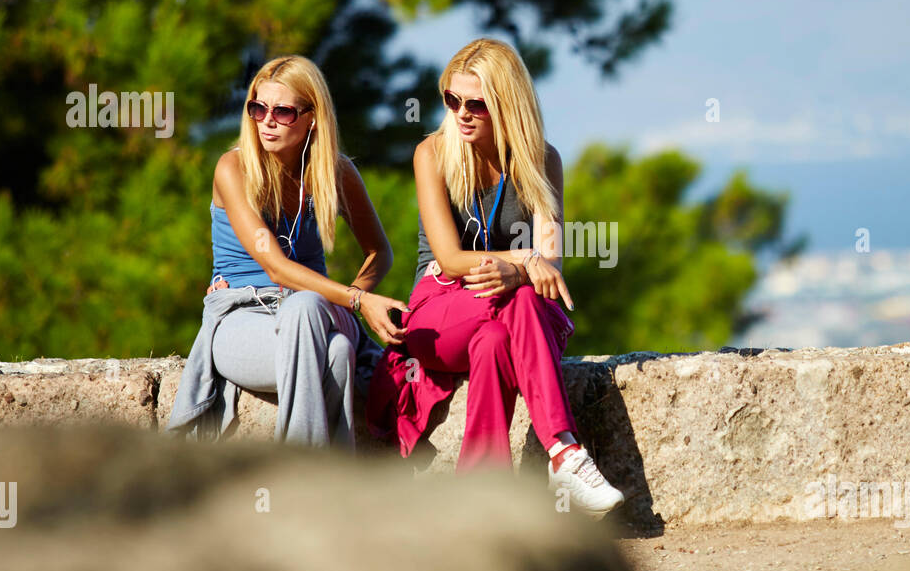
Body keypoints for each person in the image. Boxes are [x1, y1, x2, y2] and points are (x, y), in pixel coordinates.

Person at [366, 37, 625, 517]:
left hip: (497, 317)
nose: (461, 113)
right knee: (519, 302)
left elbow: (553, 262)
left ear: (507, 105)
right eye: (452, 100)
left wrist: (523, 269)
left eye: (477, 104)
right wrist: (523, 262)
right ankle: (565, 450)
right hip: (440, 307)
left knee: (496, 337)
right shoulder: (433, 154)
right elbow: (447, 257)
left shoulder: (542, 160)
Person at [167, 55, 407, 447]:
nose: (267, 120)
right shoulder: (234, 168)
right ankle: (311, 475)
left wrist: (346, 302)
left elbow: (379, 251)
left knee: (308, 308)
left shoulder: (336, 172)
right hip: (243, 316)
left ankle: (305, 481)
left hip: (314, 312)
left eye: (283, 111)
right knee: (340, 353)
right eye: (258, 108)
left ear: (313, 117)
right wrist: (358, 300)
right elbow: (276, 269)